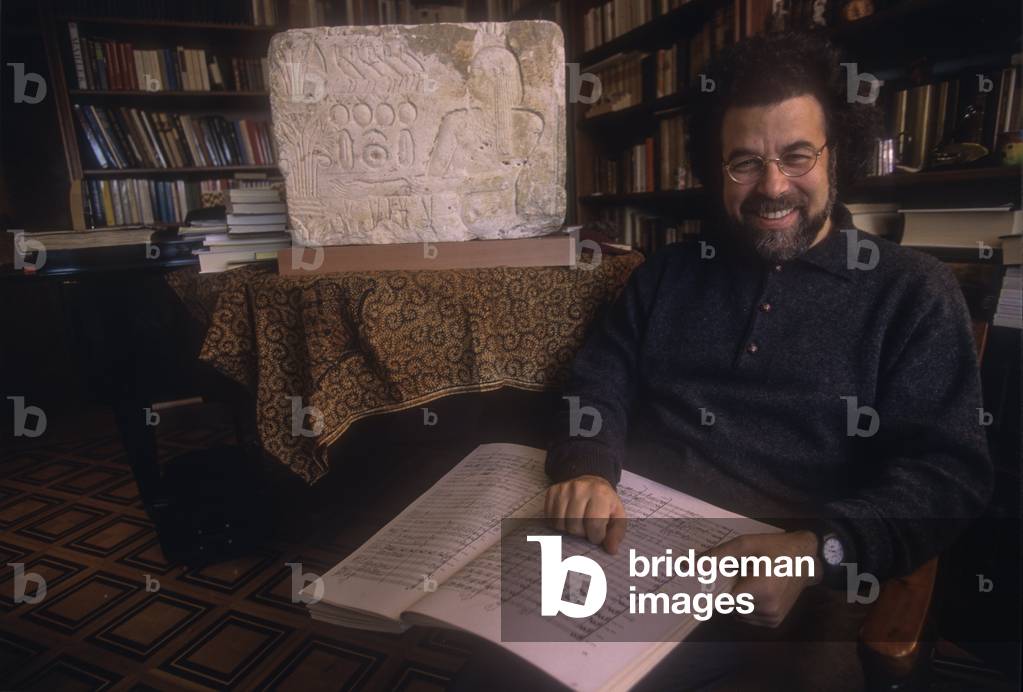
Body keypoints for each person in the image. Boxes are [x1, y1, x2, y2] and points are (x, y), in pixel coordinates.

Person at [540, 30, 992, 690]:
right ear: (713, 166)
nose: (773, 186)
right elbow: (597, 381)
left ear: (838, 154)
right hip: (625, 550)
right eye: (745, 162)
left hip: (793, 587)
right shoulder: (665, 273)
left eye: (797, 156)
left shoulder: (913, 292)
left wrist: (815, 552)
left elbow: (947, 478)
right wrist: (586, 464)